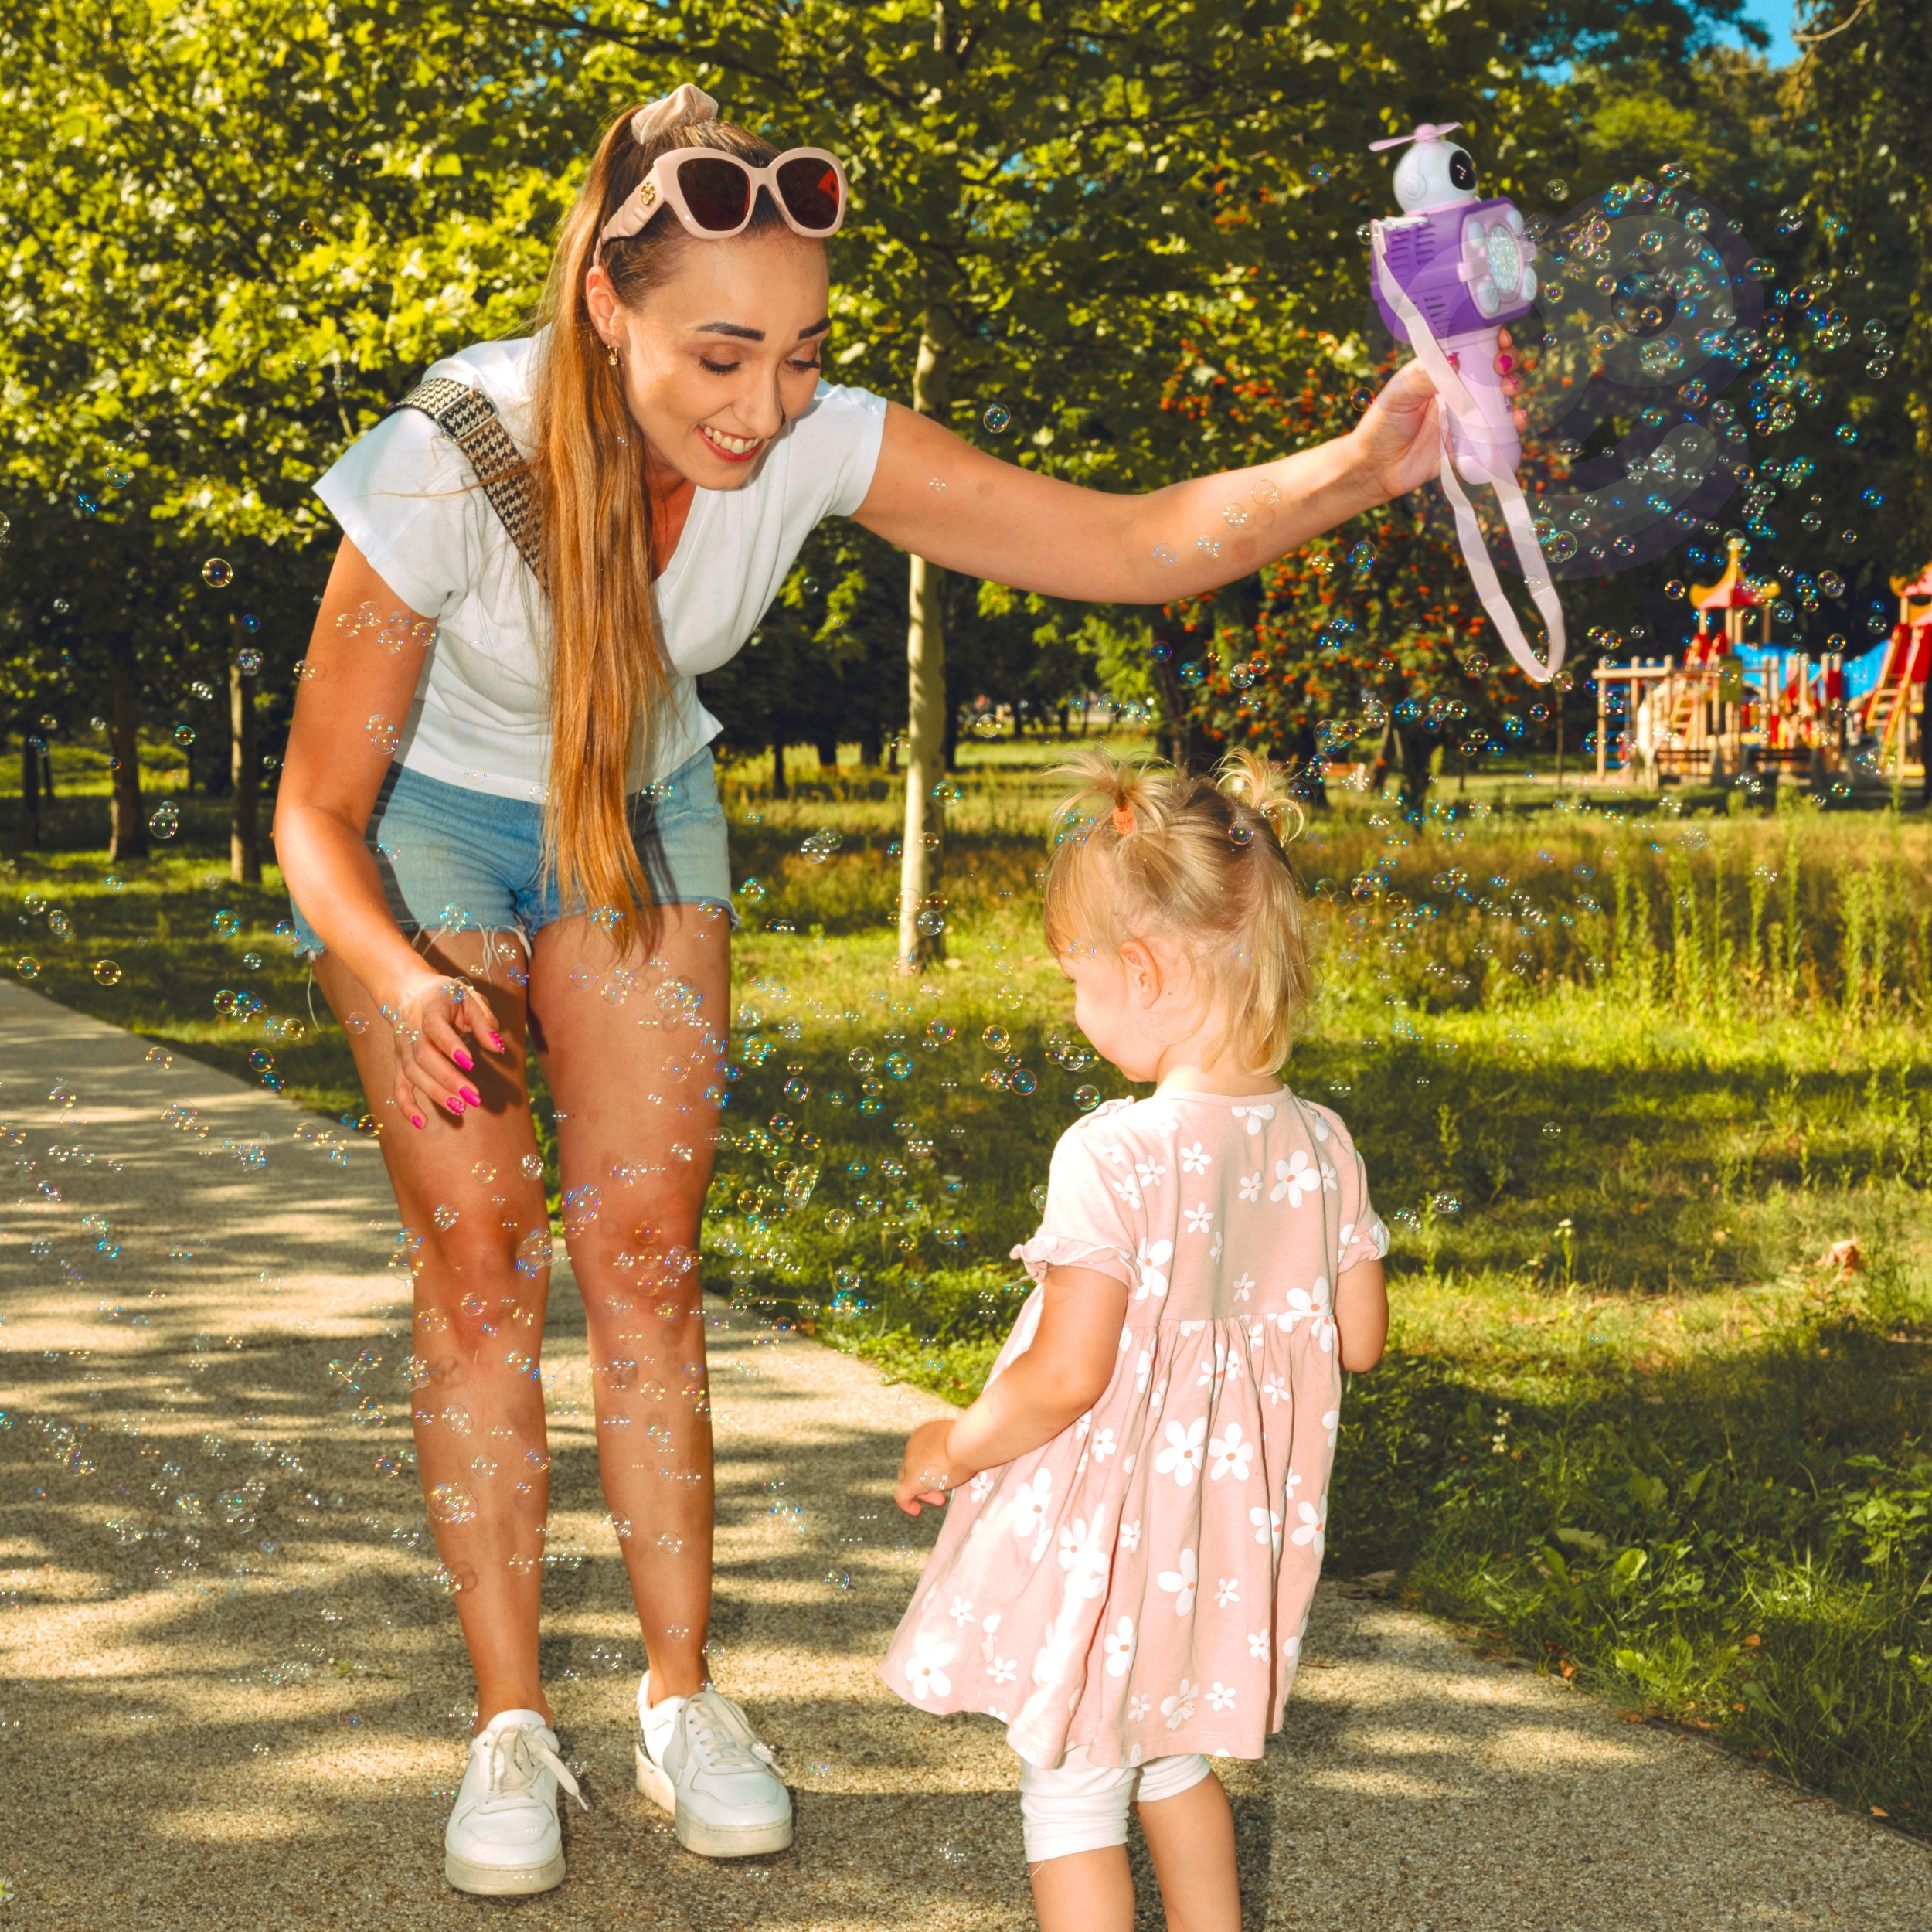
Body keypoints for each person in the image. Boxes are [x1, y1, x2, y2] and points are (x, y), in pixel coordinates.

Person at [273, 76, 1464, 1899]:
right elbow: (314, 808)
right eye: (719, 357)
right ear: (608, 305)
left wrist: (1358, 464)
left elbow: (1123, 542)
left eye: (799, 353)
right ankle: (510, 1722)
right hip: (427, 823)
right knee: (480, 1257)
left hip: (638, 804)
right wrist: (396, 972)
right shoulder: (452, 454)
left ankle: (682, 1697)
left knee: (648, 1255)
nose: (763, 410)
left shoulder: (815, 437)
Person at [886, 748, 1390, 1932]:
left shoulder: (1110, 1153)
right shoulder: (1323, 1141)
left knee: (1071, 1796)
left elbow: (1066, 1374)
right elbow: (1359, 1341)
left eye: (1077, 979)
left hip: (1107, 1547)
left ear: (1148, 970)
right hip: (1223, 1550)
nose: (1073, 1007)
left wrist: (954, 1443)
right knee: (1172, 1764)